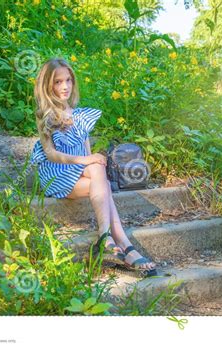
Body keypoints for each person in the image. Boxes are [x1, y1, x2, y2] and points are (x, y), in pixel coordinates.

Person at [28, 57, 157, 277]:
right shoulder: (45, 116)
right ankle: (121, 242)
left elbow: (87, 152)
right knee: (99, 174)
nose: (65, 86)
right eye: (58, 82)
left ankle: (106, 237)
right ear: (47, 85)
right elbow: (51, 154)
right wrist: (85, 161)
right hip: (58, 175)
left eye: (68, 80)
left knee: (100, 174)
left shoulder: (80, 115)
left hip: (81, 173)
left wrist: (90, 160)